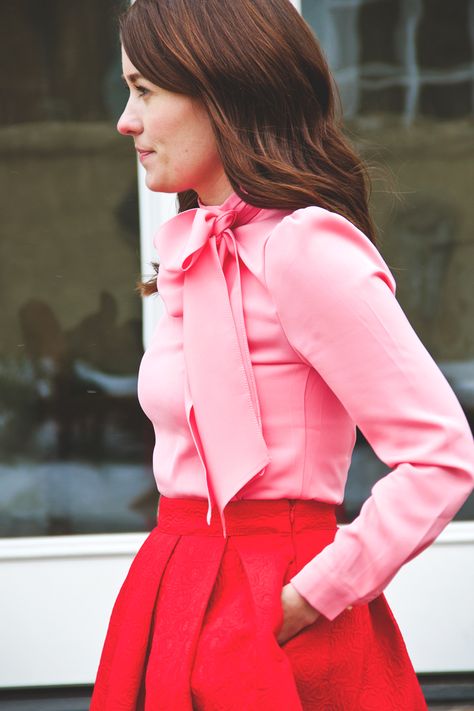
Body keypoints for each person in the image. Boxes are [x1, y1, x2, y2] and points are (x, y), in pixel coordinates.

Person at [90, 0, 474, 709]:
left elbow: (441, 454)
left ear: (225, 89)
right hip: (174, 584)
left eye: (143, 90)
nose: (126, 120)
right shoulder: (192, 247)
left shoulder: (305, 247)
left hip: (281, 607)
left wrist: (307, 595)